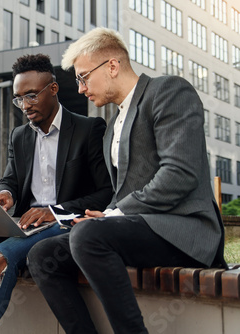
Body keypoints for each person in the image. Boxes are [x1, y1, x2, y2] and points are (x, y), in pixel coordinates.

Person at [27, 28, 228, 334]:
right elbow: (124, 194)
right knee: (42, 255)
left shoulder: (168, 91)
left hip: (184, 229)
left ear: (111, 66)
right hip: (141, 228)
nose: (80, 89)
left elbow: (180, 174)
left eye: (83, 77)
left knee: (89, 237)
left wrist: (112, 216)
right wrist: (100, 216)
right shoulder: (111, 128)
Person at [0, 53, 112, 334]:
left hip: (61, 224)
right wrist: (5, 194)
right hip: (24, 223)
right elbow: (10, 181)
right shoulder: (19, 136)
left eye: (31, 96)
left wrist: (53, 211)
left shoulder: (88, 129)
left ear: (53, 89)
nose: (25, 106)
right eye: (19, 99)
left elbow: (105, 193)